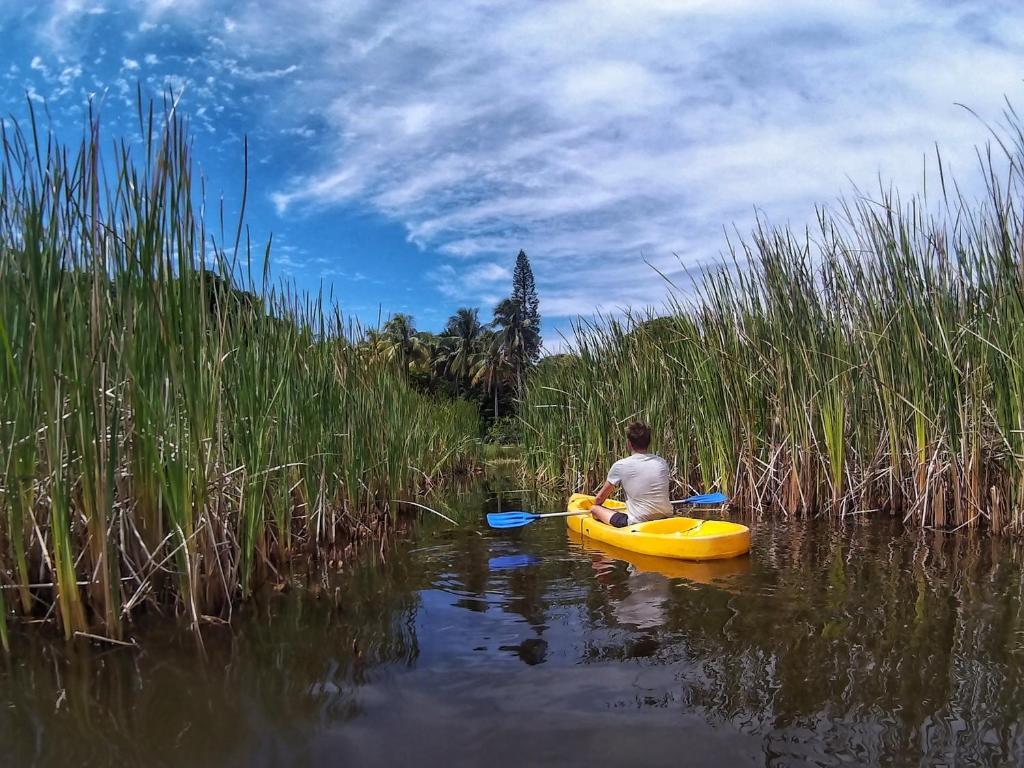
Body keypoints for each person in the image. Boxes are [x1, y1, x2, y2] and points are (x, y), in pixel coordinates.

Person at [590, 421, 672, 528]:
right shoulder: (662, 462)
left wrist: (597, 506)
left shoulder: (620, 465)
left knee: (595, 508)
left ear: (629, 443)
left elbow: (599, 498)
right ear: (649, 443)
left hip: (638, 522)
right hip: (666, 516)